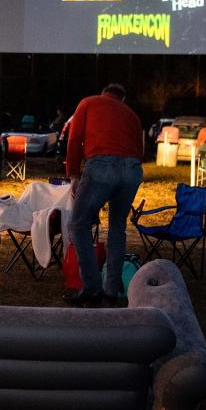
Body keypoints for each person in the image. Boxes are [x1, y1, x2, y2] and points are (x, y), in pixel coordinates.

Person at [65, 83, 144, 307]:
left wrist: (73, 173)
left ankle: (91, 290)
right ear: (123, 99)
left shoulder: (88, 102)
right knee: (117, 228)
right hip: (131, 170)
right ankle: (111, 291)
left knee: (79, 225)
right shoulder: (132, 115)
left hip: (101, 165)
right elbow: (139, 151)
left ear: (104, 93)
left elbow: (74, 138)